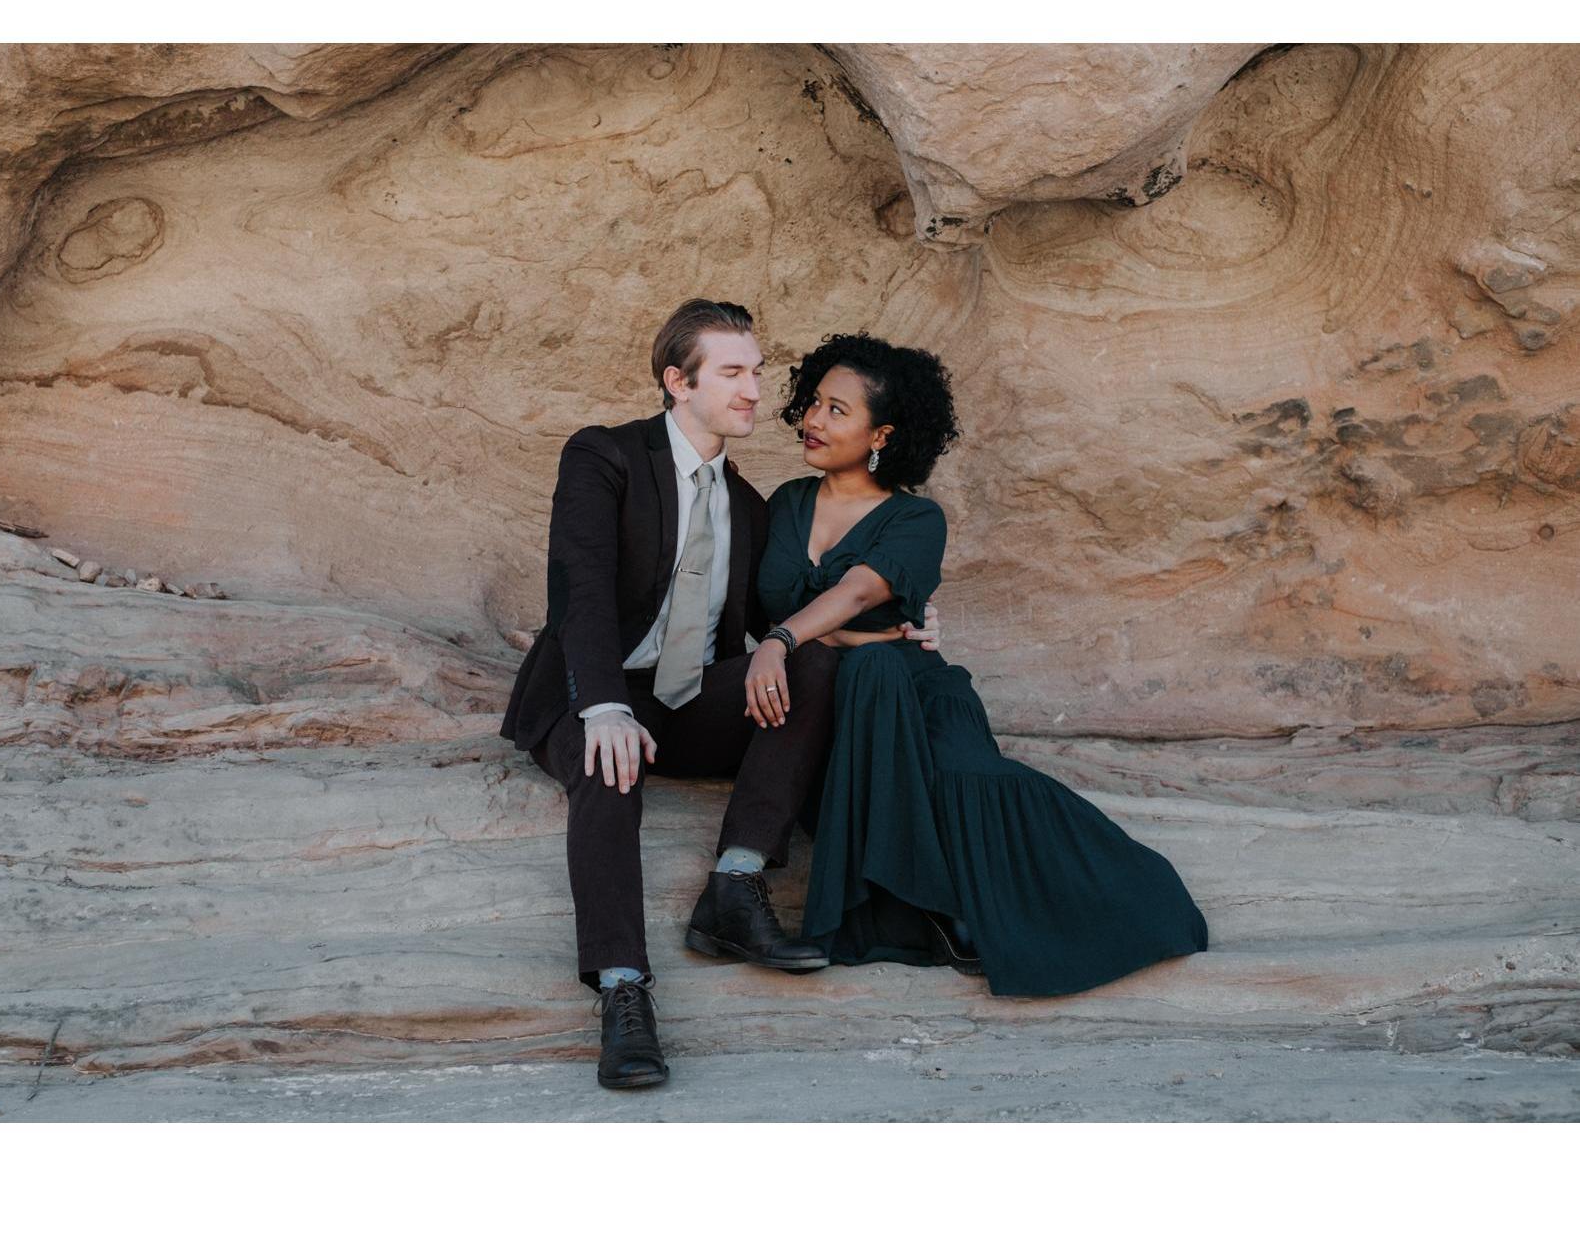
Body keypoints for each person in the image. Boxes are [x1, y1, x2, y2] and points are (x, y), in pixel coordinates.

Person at [499, 300, 943, 1091]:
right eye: (733, 371)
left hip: (690, 700)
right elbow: (581, 593)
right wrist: (603, 705)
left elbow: (780, 630)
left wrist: (891, 631)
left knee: (811, 667)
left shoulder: (747, 505)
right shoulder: (606, 456)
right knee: (611, 766)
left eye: (758, 370)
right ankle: (622, 991)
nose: (755, 389)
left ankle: (734, 890)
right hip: (590, 692)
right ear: (679, 382)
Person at [747, 332, 1210, 996]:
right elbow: (768, 608)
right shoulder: (786, 504)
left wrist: (787, 640)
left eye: (837, 411)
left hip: (917, 697)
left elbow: (855, 594)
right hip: (833, 705)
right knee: (871, 668)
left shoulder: (916, 519)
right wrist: (842, 643)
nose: (814, 420)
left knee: (958, 766)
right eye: (815, 403)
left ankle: (1011, 908)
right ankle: (906, 909)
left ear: (882, 434)